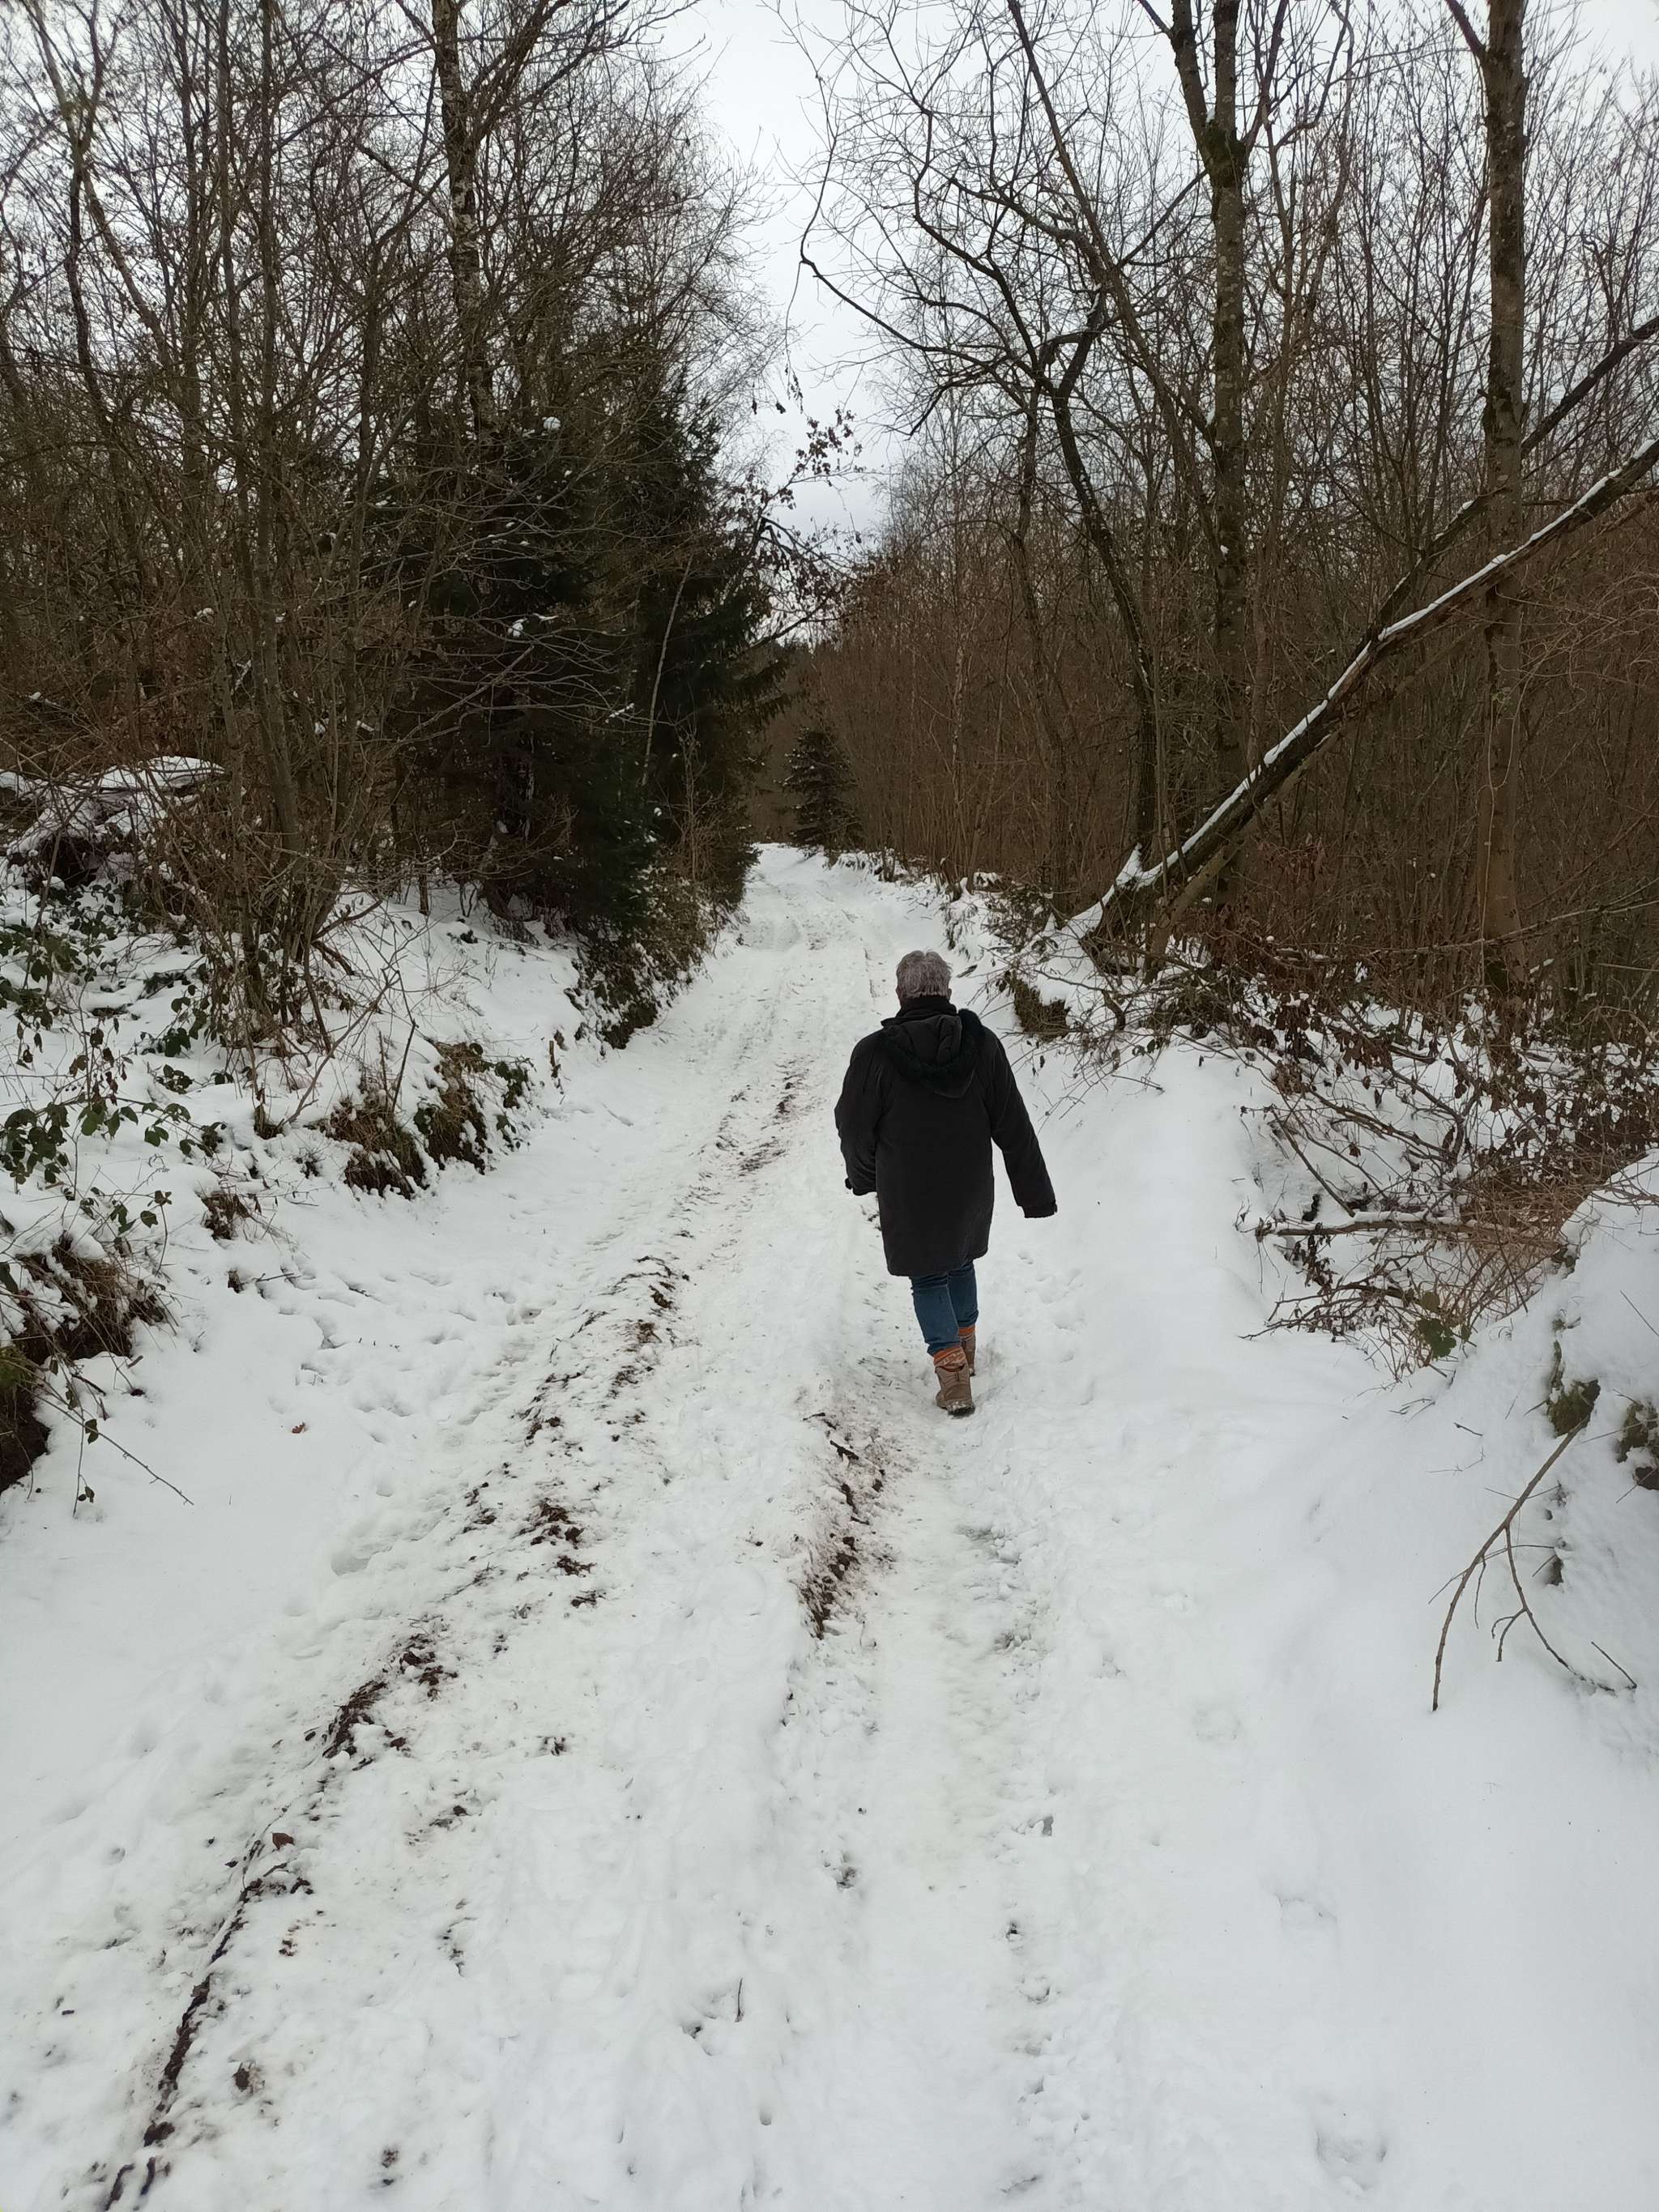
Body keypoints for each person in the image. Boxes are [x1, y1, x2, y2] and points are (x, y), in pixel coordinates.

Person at [834, 948, 1056, 1417]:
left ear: (900, 995)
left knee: (929, 1273)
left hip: (908, 1189)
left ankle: (952, 1372)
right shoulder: (982, 1045)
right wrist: (1034, 1193)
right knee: (959, 1260)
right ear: (948, 991)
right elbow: (1013, 1123)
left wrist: (864, 1176)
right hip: (969, 1183)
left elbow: (853, 1126)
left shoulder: (875, 1054)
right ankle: (965, 1345)